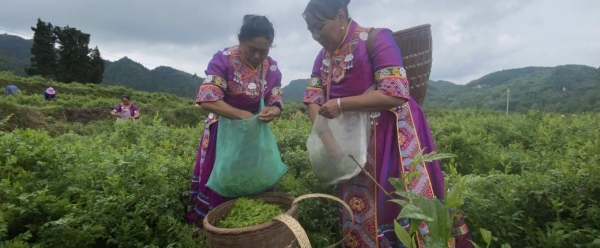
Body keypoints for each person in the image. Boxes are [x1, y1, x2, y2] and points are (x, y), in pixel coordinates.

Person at [301, 0, 472, 247]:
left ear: (340, 16)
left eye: (319, 26)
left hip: (392, 138)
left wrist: (340, 105)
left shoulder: (377, 39)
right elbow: (313, 99)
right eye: (310, 30)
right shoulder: (324, 56)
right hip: (351, 142)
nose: (315, 35)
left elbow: (395, 92)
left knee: (397, 198)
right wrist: (328, 139)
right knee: (358, 203)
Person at [186, 14, 283, 228]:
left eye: (264, 51)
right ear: (240, 39)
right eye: (252, 49)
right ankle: (216, 228)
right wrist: (241, 115)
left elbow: (276, 100)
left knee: (252, 178)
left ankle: (252, 230)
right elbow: (207, 99)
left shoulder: (272, 68)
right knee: (222, 179)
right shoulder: (223, 60)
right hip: (222, 133)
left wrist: (272, 111)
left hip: (253, 135)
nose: (258, 56)